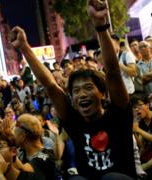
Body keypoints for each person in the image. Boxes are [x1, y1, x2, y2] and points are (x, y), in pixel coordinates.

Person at [9, 0, 136, 179]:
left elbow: (113, 72)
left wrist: (100, 26)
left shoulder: (118, 114)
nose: (82, 94)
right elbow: (51, 86)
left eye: (88, 88)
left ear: (102, 93)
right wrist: (24, 47)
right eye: (76, 91)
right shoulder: (74, 121)